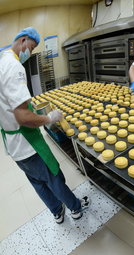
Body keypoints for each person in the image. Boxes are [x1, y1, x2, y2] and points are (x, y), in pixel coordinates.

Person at [0, 27, 90, 224]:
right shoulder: (13, 67)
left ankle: (57, 212)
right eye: (31, 48)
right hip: (27, 142)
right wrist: (49, 118)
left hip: (12, 145)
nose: (29, 53)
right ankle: (75, 207)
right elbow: (23, 116)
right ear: (22, 40)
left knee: (37, 182)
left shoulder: (0, 62)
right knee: (53, 176)